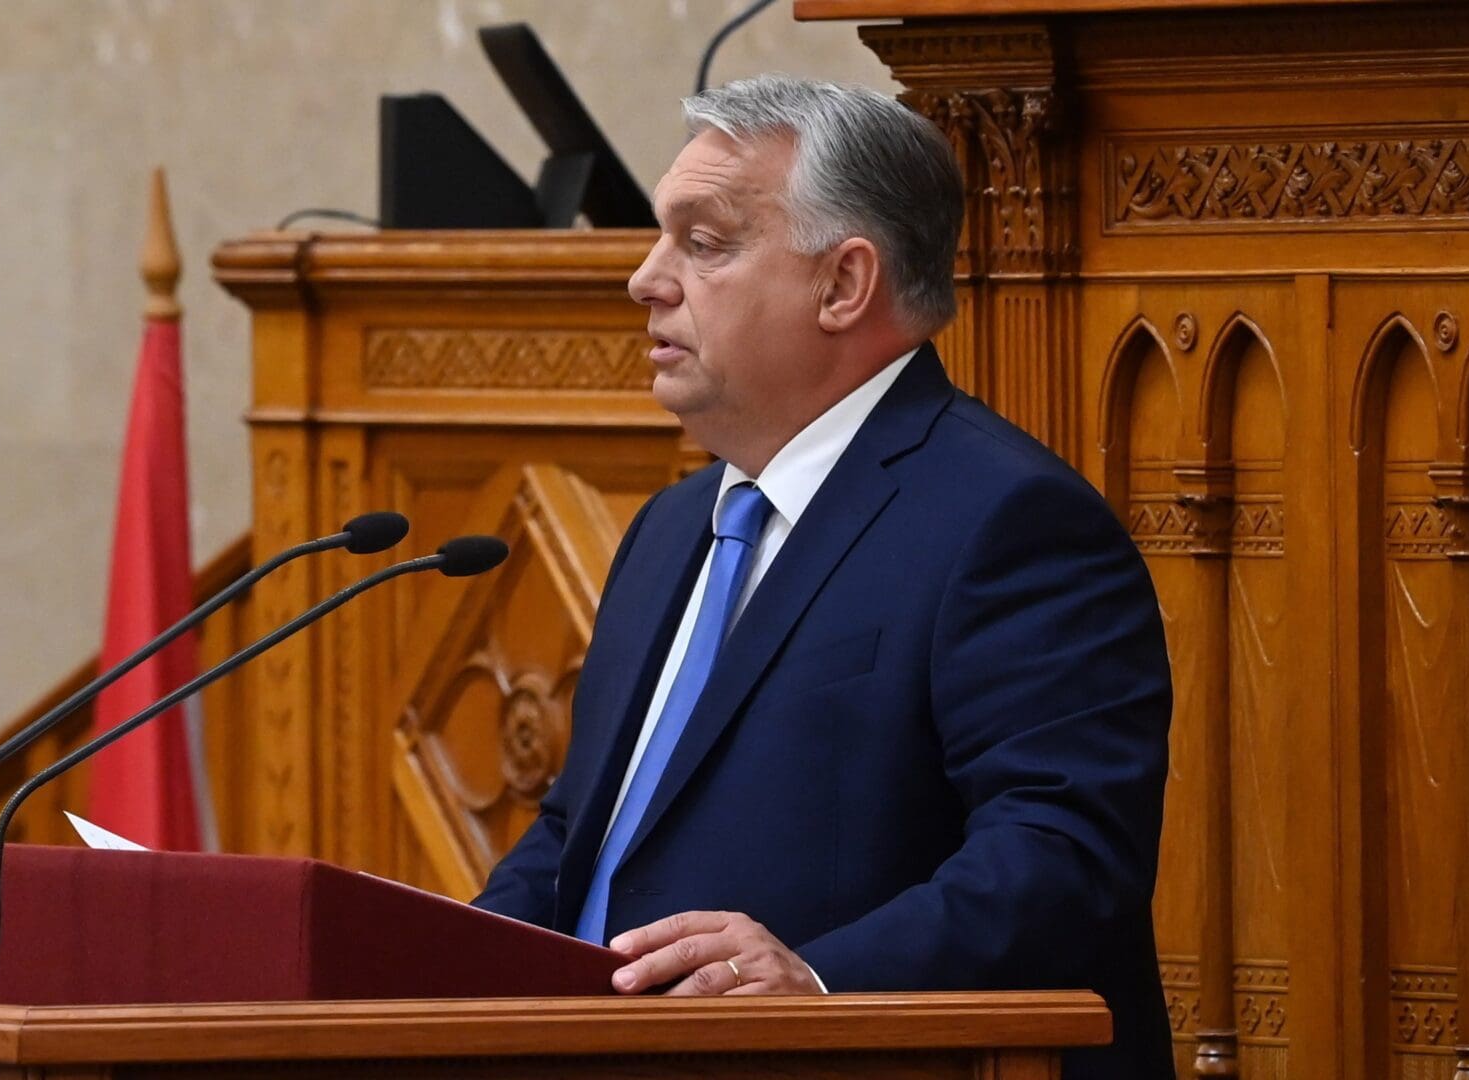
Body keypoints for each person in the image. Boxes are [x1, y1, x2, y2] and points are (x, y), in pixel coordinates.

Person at [471, 75, 1173, 1078]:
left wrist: (819, 983)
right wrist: (453, 952)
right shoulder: (673, 528)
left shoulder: (1009, 521)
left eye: (703, 242)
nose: (646, 278)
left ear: (844, 285)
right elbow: (583, 831)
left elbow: (1063, 855)